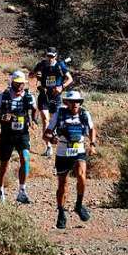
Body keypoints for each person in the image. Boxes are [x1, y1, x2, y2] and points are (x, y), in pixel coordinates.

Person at [44, 90, 96, 229]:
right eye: (72, 102)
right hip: (62, 151)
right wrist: (52, 138)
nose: (75, 104)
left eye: (77, 101)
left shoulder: (85, 114)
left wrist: (92, 144)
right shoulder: (59, 114)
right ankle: (61, 212)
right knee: (63, 185)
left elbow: (92, 129)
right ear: (66, 102)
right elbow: (46, 133)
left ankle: (78, 205)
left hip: (79, 150)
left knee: (81, 176)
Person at [0, 70, 37, 204]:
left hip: (22, 134)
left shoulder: (28, 97)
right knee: (4, 165)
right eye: (18, 83)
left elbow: (34, 109)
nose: (21, 86)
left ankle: (22, 191)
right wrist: (1, 116)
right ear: (12, 82)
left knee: (25, 159)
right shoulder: (2, 97)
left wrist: (33, 119)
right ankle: (1, 190)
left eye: (22, 83)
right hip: (7, 135)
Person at [31, 49, 73, 157]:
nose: (50, 58)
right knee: (45, 119)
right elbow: (31, 75)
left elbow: (70, 79)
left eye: (52, 56)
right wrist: (36, 75)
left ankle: (61, 140)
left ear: (56, 56)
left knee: (55, 120)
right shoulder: (41, 64)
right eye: (48, 56)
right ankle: (48, 147)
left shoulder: (60, 66)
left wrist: (61, 87)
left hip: (56, 96)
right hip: (44, 95)